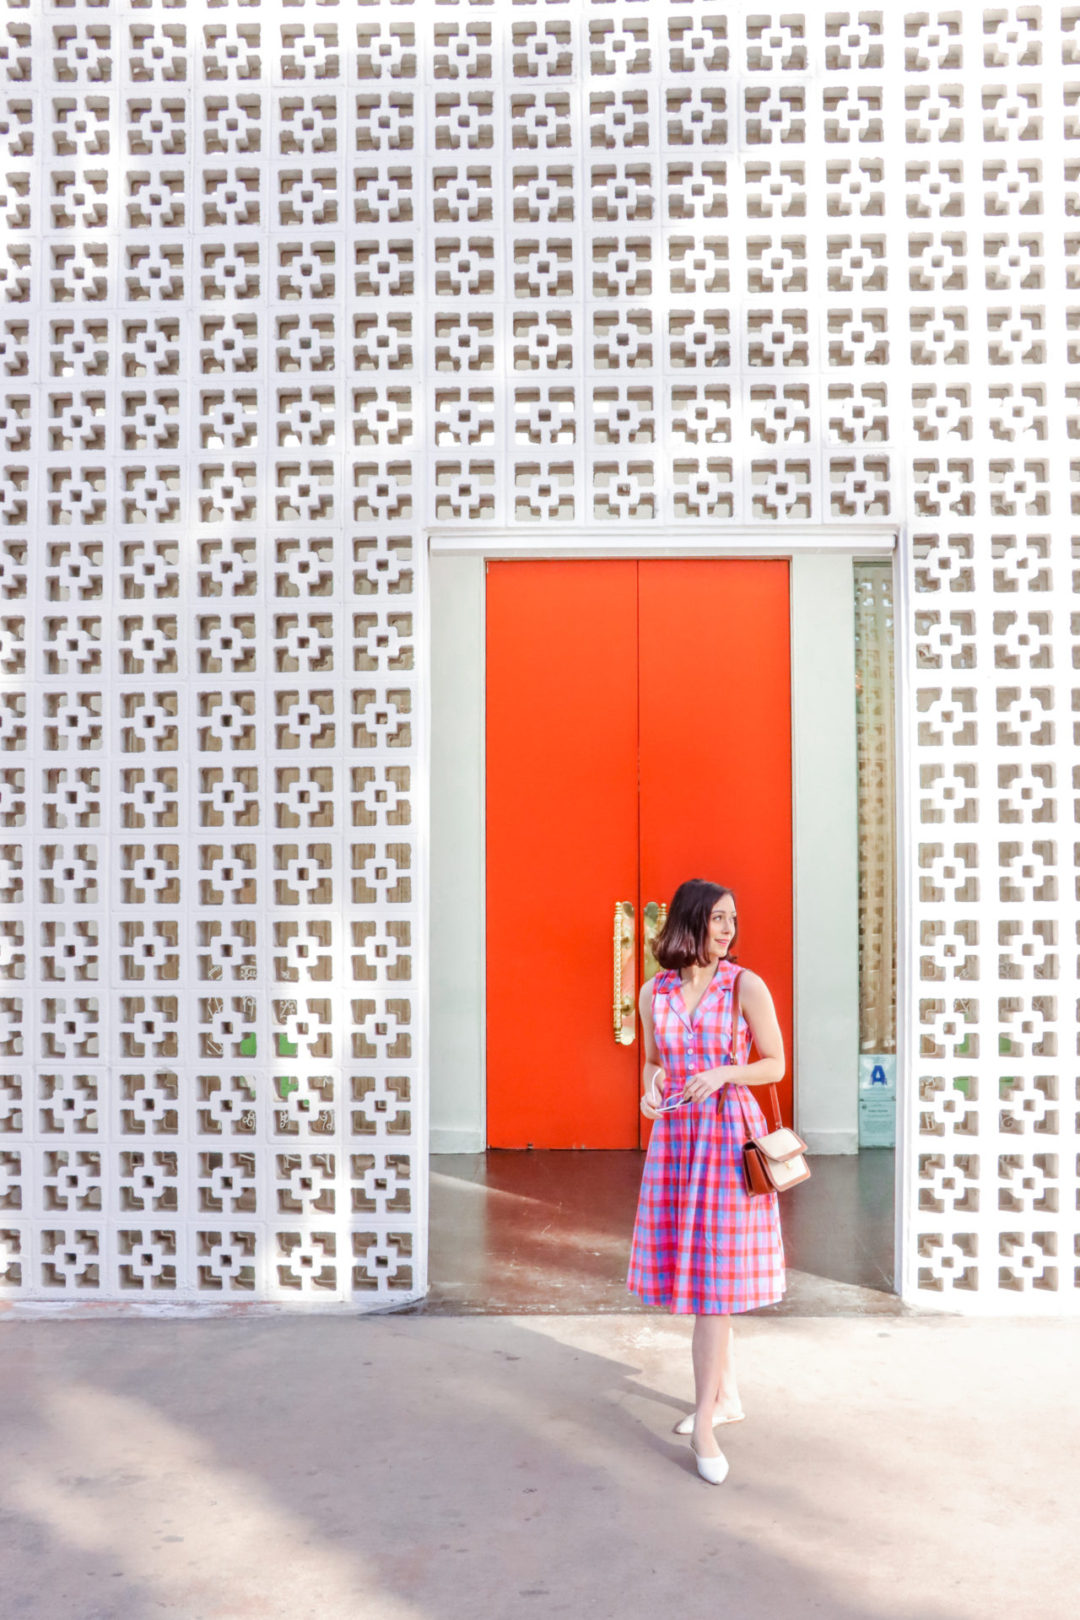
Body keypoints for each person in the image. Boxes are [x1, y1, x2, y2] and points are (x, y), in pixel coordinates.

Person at [627, 877, 786, 1484]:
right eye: (719, 919)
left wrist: (723, 1072)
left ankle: (704, 1426)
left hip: (725, 1141)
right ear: (689, 923)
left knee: (712, 1286)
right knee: (698, 1273)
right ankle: (727, 1397)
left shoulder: (745, 985)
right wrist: (650, 1088)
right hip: (675, 1142)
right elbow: (654, 1062)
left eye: (733, 920)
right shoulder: (653, 992)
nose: (728, 930)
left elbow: (774, 1063)